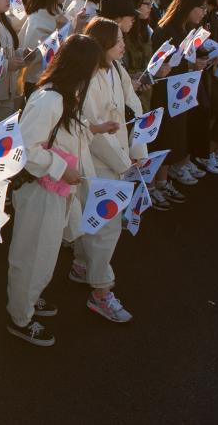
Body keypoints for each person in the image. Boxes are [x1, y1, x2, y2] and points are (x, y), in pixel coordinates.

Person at [6, 35, 102, 347]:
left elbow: (66, 133)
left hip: (56, 188)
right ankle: (20, 316)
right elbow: (25, 148)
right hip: (41, 189)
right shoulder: (50, 99)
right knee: (32, 253)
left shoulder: (64, 94)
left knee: (44, 252)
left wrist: (95, 130)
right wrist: (62, 169)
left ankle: (29, 299)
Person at [73, 17, 143, 323]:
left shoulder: (116, 68)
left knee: (93, 220)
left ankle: (81, 264)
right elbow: (92, 132)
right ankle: (100, 292)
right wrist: (124, 164)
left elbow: (134, 106)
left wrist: (138, 150)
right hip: (97, 162)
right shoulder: (85, 79)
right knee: (107, 225)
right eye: (117, 41)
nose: (123, 44)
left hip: (121, 156)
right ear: (101, 45)